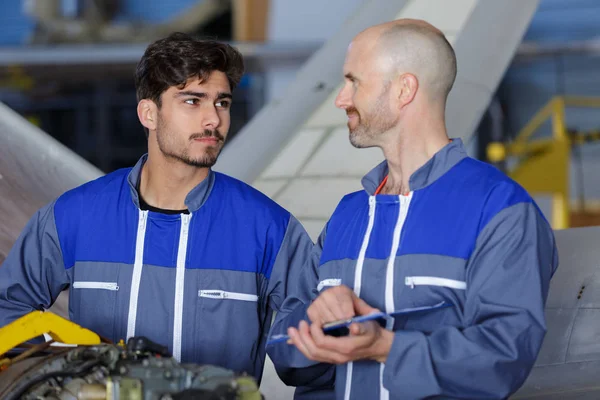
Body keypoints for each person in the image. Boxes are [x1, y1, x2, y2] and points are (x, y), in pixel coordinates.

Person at [267, 19, 559, 399]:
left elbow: (504, 357)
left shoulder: (500, 210)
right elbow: (285, 352)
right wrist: (316, 321)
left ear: (404, 90)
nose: (341, 98)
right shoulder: (349, 215)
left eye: (354, 81)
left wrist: (385, 346)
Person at [0, 32, 314, 384]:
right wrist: (60, 375)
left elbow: (315, 363)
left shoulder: (268, 228)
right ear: (149, 113)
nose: (213, 120)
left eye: (222, 103)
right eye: (193, 101)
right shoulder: (76, 216)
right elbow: (6, 310)